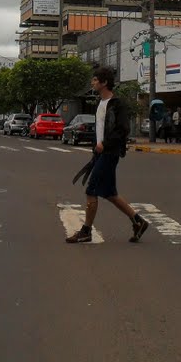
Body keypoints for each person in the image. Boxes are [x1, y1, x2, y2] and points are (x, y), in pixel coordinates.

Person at [66, 66, 149, 244]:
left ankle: (86, 231)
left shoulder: (117, 103)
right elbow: (100, 129)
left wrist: (105, 144)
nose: (92, 82)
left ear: (104, 83)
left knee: (91, 189)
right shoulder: (100, 103)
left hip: (110, 152)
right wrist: (96, 147)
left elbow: (122, 129)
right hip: (100, 152)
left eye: (95, 80)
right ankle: (138, 221)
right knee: (110, 193)